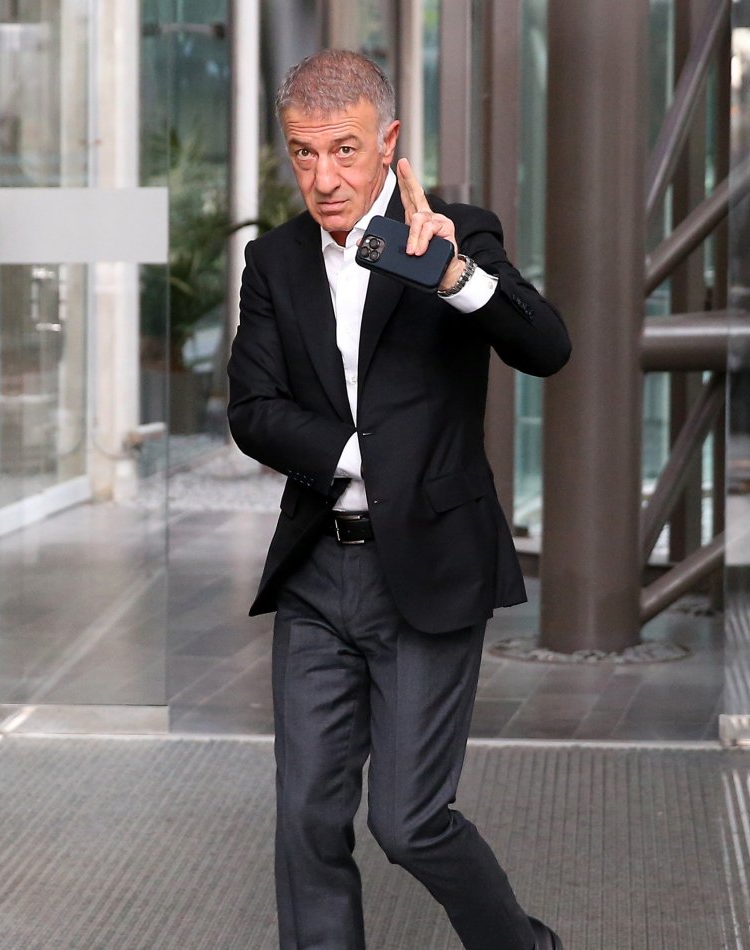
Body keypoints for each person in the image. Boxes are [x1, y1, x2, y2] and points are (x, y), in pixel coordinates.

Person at [227, 48, 571, 950]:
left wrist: (454, 278)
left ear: (388, 144)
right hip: (317, 571)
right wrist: (362, 461)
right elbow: (253, 411)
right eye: (304, 153)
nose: (323, 178)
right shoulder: (275, 260)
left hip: (429, 568)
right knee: (306, 816)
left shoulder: (455, 234)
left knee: (409, 822)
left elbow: (547, 348)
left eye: (344, 150)